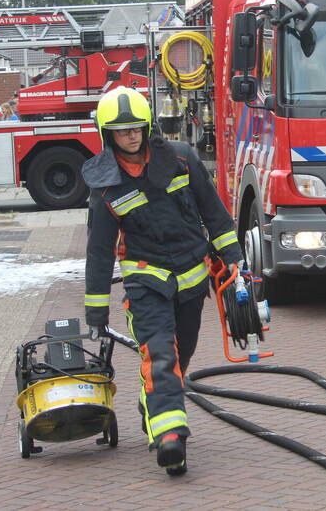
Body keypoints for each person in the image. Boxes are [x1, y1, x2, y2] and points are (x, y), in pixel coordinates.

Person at [82, 88, 244, 476]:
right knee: (160, 354)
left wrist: (236, 262)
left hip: (192, 278)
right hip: (145, 280)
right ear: (108, 135)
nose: (131, 137)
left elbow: (215, 215)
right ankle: (171, 438)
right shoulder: (105, 185)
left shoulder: (182, 160)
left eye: (136, 129)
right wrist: (95, 308)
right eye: (122, 132)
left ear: (147, 126)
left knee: (180, 355)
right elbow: (100, 251)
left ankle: (151, 400)